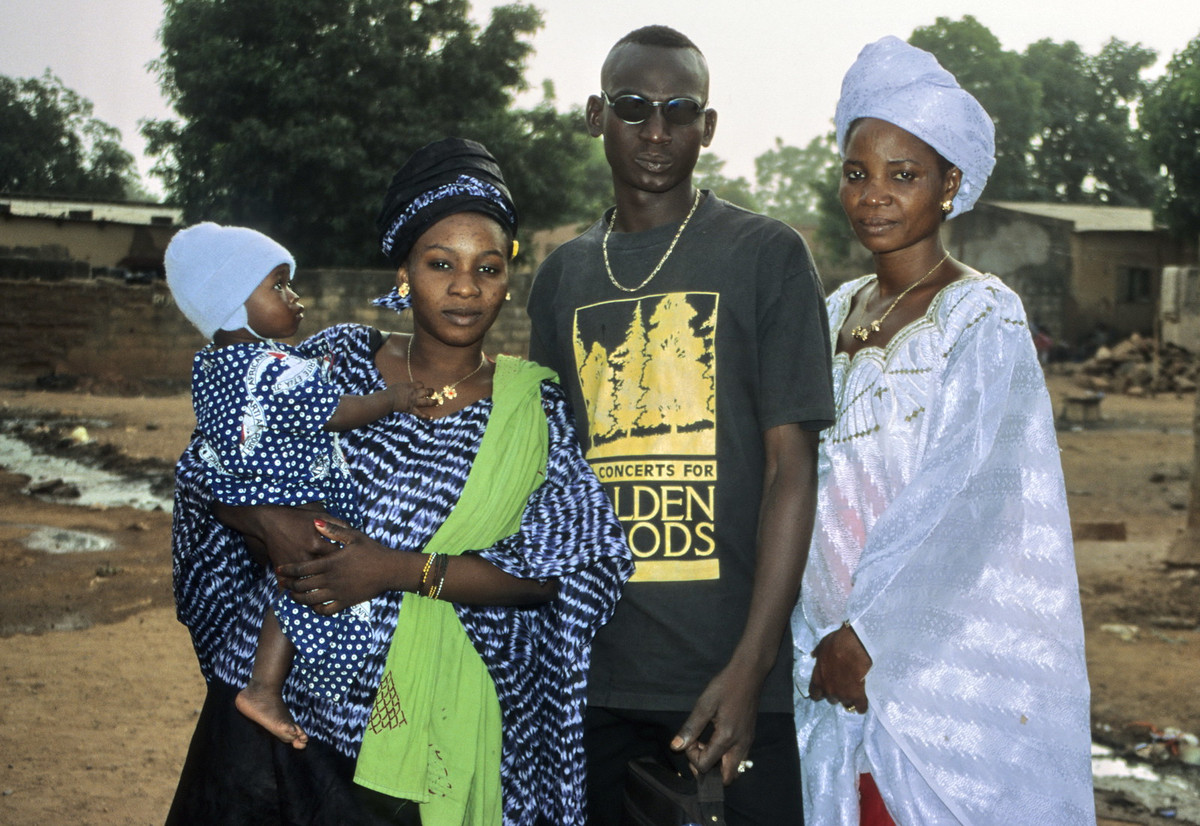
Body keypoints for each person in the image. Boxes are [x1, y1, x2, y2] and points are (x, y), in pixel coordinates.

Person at [166, 138, 633, 826]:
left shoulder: (533, 413)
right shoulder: (334, 361)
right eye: (440, 263)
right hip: (266, 728)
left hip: (413, 748)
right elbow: (212, 465)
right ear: (405, 274)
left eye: (489, 267)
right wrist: (269, 523)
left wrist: (396, 570)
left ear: (509, 279)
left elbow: (570, 570)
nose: (466, 287)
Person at [526, 25, 834, 825]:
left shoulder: (766, 255)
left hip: (727, 681)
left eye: (679, 110)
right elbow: (551, 478)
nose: (656, 132)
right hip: (591, 678)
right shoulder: (561, 277)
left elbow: (790, 469)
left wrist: (751, 667)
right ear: (597, 115)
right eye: (633, 107)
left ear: (709, 126)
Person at [791, 36, 1094, 825]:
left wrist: (868, 633)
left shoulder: (980, 315)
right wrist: (818, 629)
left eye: (904, 175)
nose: (875, 196)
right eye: (858, 174)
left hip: (923, 654)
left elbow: (964, 498)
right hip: (819, 644)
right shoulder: (828, 313)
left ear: (950, 184)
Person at [164, 222, 434, 750]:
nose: (294, 298)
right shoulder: (279, 368)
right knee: (321, 573)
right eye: (278, 286)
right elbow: (335, 412)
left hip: (244, 492)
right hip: (293, 495)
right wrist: (393, 399)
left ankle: (275, 681)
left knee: (289, 585)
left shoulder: (211, 365)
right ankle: (270, 686)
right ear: (233, 306)